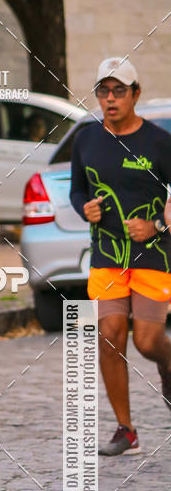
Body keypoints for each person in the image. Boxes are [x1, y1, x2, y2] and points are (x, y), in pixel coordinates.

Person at [70, 57, 171, 456]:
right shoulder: (86, 139)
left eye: (119, 91)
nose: (110, 100)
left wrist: (158, 227)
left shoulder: (159, 142)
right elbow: (78, 191)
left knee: (147, 341)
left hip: (152, 254)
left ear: (135, 95)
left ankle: (166, 363)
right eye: (103, 91)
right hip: (107, 254)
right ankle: (125, 430)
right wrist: (85, 209)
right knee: (110, 336)